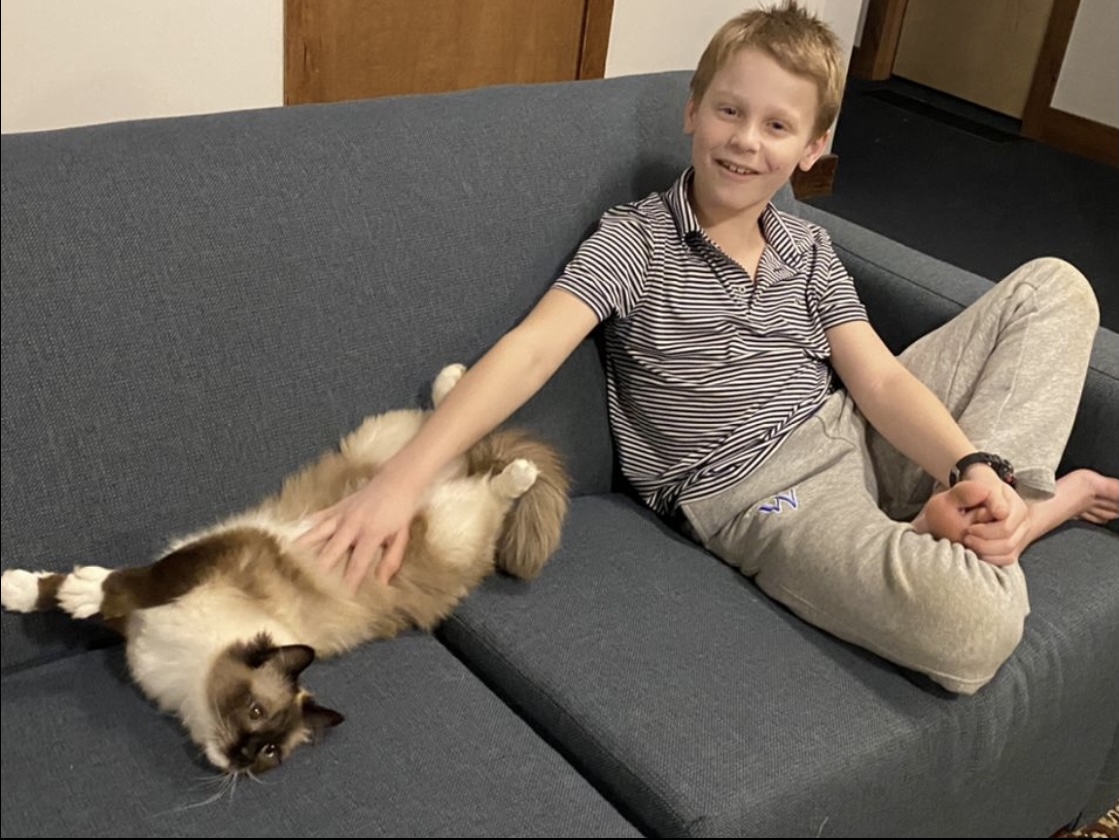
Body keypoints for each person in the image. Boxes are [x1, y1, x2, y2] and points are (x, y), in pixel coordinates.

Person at [298, 1, 1117, 694]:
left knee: (1054, 287)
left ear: (811, 149)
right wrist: (401, 482)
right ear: (692, 111)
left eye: (776, 125)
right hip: (762, 494)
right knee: (976, 630)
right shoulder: (634, 241)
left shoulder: (808, 250)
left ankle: (993, 507)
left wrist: (969, 465)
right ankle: (1028, 515)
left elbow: (878, 381)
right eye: (729, 111)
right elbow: (531, 350)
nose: (745, 141)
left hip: (852, 427)